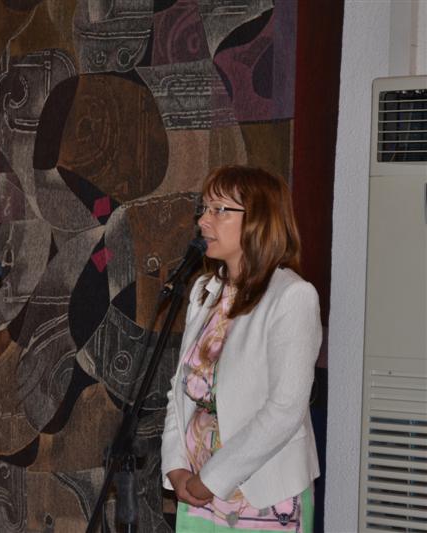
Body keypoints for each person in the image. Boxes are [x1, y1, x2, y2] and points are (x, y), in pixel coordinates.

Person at [161, 165, 322, 532]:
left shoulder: (292, 296)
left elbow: (284, 411)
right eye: (204, 208)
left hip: (261, 496)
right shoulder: (205, 291)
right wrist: (176, 465)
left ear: (259, 220)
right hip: (198, 492)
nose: (203, 221)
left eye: (219, 210)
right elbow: (179, 388)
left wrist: (211, 479)